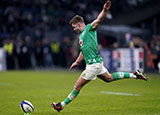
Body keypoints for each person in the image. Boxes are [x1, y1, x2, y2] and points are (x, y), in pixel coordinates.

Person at [51, 0, 147, 112]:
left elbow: (98, 20)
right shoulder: (82, 36)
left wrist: (104, 10)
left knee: (77, 85)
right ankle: (134, 75)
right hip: (97, 63)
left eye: (74, 27)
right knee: (109, 78)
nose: (73, 29)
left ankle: (60, 105)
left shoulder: (89, 28)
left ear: (79, 24)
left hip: (93, 65)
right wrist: (77, 62)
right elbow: (83, 51)